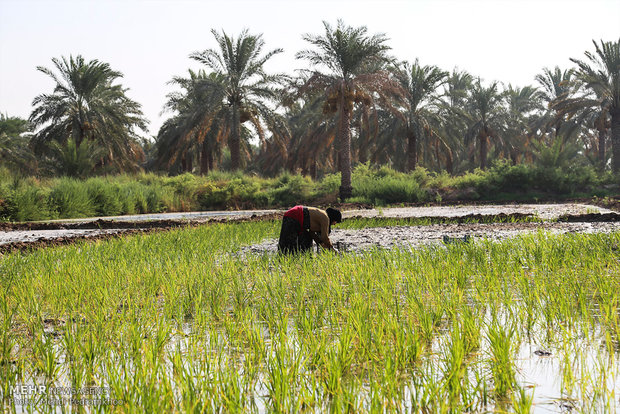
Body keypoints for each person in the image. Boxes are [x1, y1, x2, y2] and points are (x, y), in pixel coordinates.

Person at [277, 205, 342, 254]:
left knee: (307, 240)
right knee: (288, 245)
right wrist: (332, 248)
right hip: (294, 216)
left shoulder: (320, 217)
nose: (335, 224)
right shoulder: (325, 218)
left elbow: (312, 233)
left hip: (297, 218)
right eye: (336, 222)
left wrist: (320, 243)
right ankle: (285, 260)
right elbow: (324, 237)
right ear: (333, 218)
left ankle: (303, 258)